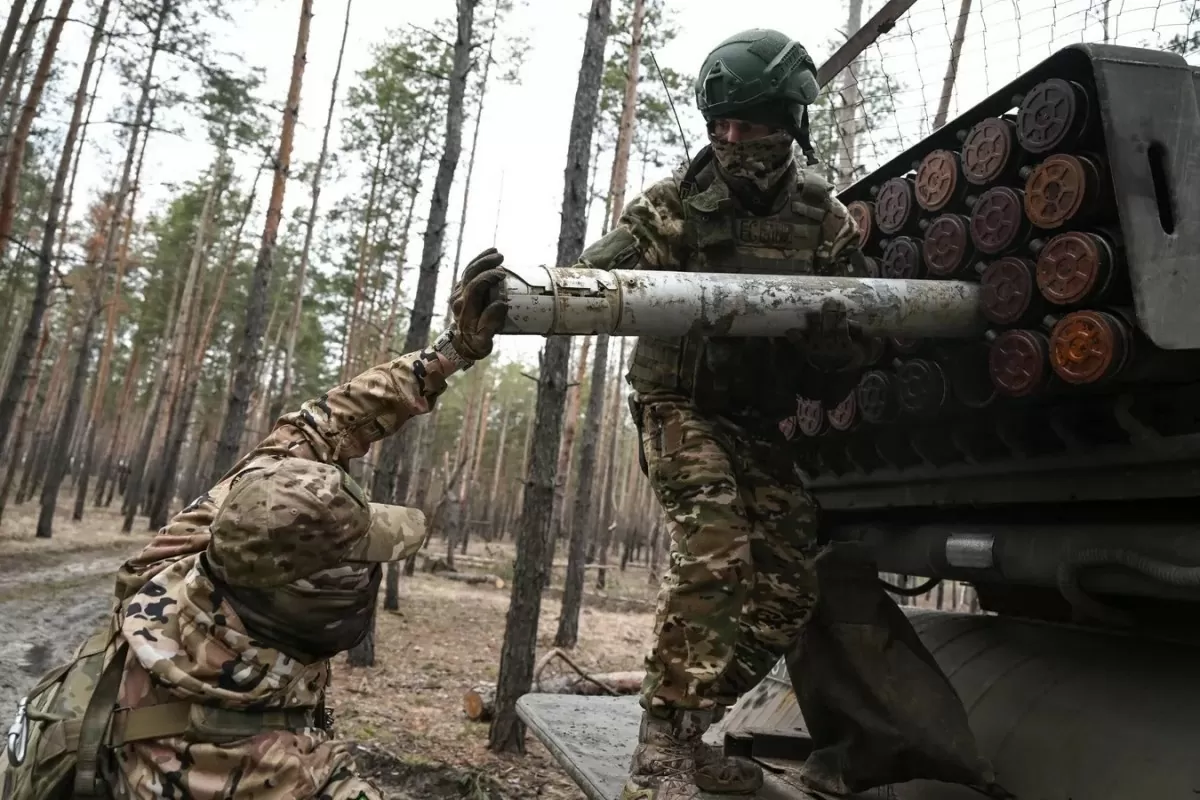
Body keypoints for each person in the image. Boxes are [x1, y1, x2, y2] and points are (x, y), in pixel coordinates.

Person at [1, 250, 509, 800]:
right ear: (314, 606)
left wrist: (448, 354)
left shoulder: (168, 570)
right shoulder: (273, 774)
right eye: (359, 567)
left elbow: (322, 425)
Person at [562, 28, 872, 800]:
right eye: (720, 127)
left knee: (789, 586)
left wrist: (834, 338)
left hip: (752, 420)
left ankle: (688, 723)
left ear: (790, 124)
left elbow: (847, 361)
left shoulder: (823, 222)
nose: (733, 143)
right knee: (714, 545)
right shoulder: (675, 207)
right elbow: (592, 280)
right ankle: (658, 747)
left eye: (752, 127)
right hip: (676, 404)